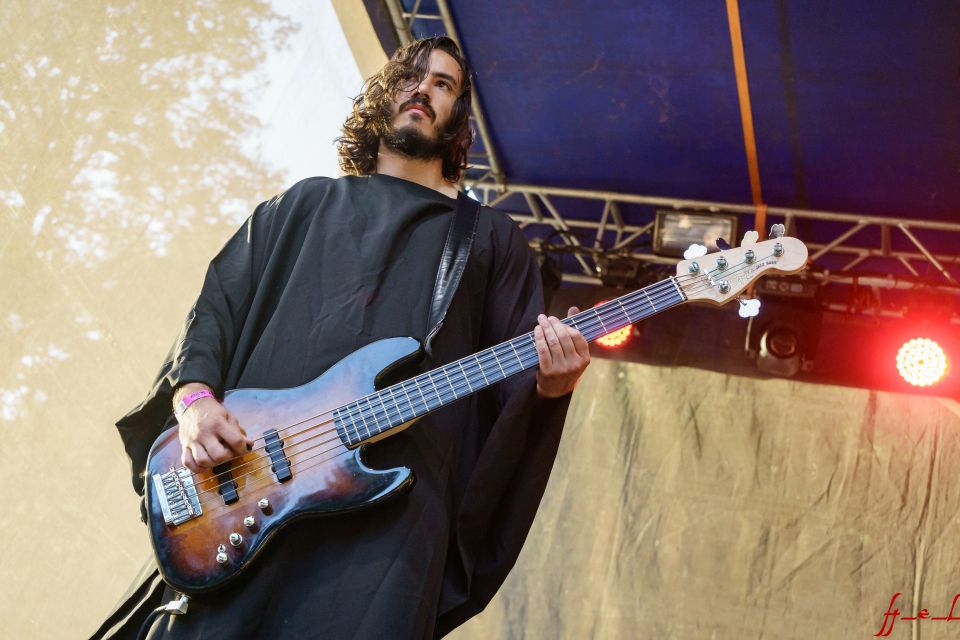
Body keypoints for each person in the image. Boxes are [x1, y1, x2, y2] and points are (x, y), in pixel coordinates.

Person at [93, 36, 590, 639]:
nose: (422, 89)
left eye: (443, 84)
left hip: (386, 538)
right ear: (382, 95)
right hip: (247, 491)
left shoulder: (490, 239)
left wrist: (550, 388)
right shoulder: (302, 204)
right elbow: (215, 308)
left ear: (458, 117)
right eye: (409, 76)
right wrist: (194, 402)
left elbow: (512, 397)